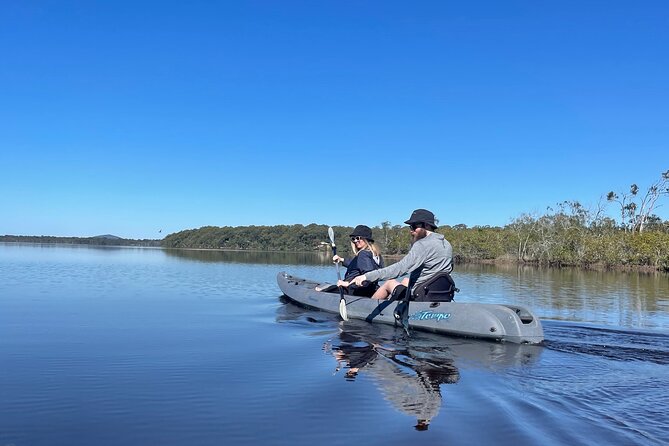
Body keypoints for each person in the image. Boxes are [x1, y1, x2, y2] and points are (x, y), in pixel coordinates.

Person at [346, 209, 452, 300]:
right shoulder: (446, 244)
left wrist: (366, 276)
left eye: (414, 226)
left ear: (427, 225)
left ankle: (367, 308)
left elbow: (400, 268)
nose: (411, 231)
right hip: (440, 293)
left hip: (421, 294)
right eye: (410, 227)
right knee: (406, 280)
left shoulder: (422, 244)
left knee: (389, 283)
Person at [332, 224, 384, 297]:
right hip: (370, 290)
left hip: (355, 291)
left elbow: (369, 275)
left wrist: (347, 284)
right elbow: (358, 265)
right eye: (353, 239)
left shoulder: (363, 254)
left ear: (366, 239)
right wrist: (341, 260)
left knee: (320, 289)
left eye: (358, 238)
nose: (355, 241)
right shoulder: (376, 254)